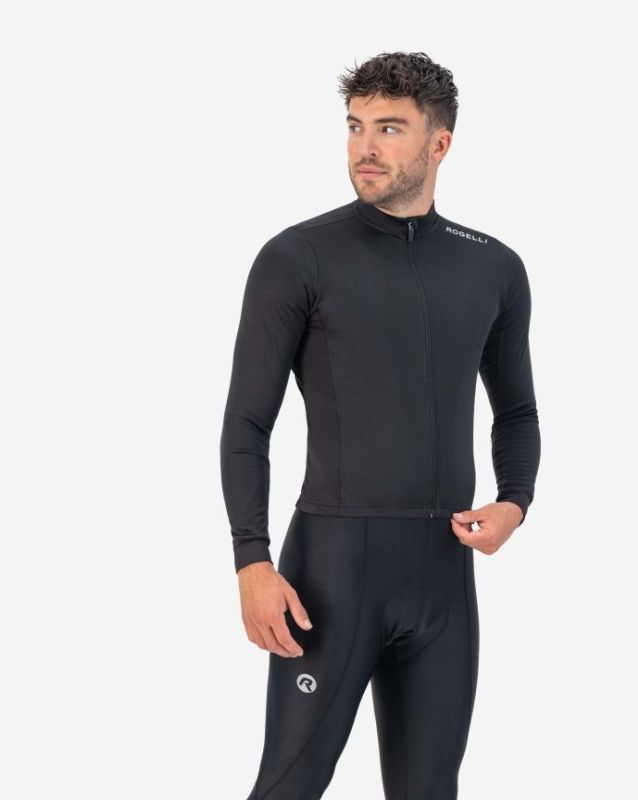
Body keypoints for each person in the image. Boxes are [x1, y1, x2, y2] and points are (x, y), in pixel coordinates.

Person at [220, 50, 541, 800]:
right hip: (331, 574)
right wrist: (251, 561)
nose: (365, 146)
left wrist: (515, 501)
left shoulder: (493, 267)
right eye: (355, 125)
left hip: (443, 579)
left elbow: (518, 410)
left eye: (389, 128)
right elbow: (247, 422)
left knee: (429, 790)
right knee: (289, 785)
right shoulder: (297, 257)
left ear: (440, 143)